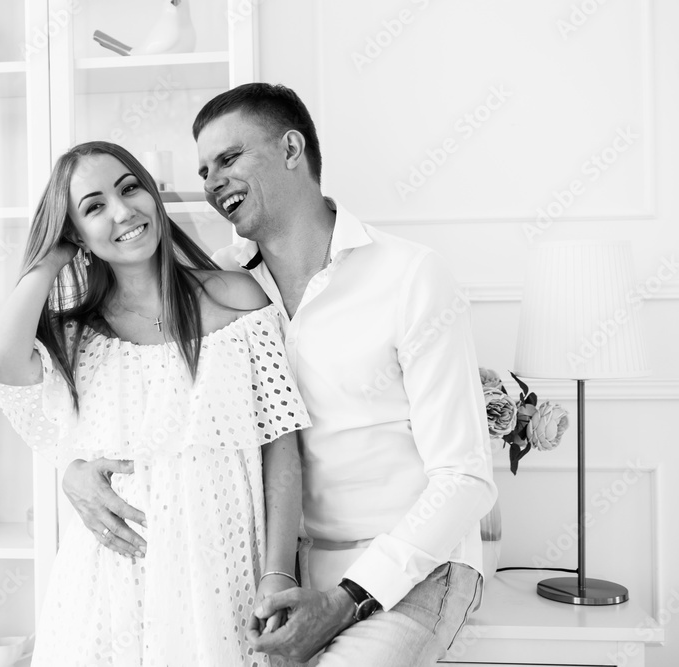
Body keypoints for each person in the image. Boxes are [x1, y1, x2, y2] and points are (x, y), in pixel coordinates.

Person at [63, 85, 499, 666]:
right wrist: (73, 470)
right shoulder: (218, 289)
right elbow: (138, 403)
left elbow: (464, 478)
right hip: (269, 573)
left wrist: (346, 599)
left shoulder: (410, 276)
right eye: (203, 171)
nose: (213, 182)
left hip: (411, 572)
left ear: (292, 149)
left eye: (229, 158)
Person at [0, 140, 311, 666]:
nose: (122, 211)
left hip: (221, 575)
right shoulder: (78, 335)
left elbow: (282, 451)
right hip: (107, 586)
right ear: (75, 234)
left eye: (130, 188)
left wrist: (278, 572)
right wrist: (49, 259)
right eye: (94, 206)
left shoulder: (238, 299)